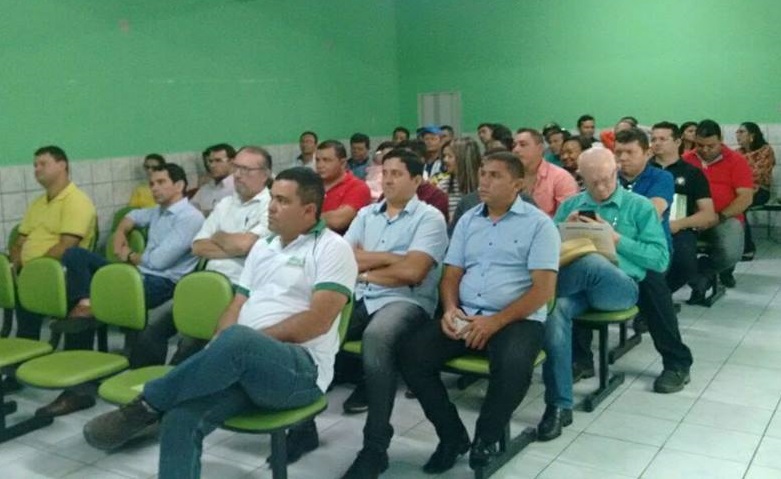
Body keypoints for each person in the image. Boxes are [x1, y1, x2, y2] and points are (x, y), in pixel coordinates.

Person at [82, 168, 358, 479]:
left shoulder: (332, 248)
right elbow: (237, 303)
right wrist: (220, 347)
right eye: (272, 198)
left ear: (308, 210)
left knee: (238, 340)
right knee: (181, 418)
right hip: (244, 365)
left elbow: (317, 322)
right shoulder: (264, 247)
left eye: (282, 201)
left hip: (300, 371)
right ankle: (159, 413)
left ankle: (146, 404)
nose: (271, 207)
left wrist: (246, 345)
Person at [398, 150, 559, 474]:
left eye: (495, 176)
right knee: (411, 356)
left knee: (512, 366)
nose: (484, 181)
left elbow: (542, 291)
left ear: (518, 184)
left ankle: (486, 437)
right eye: (483, 173)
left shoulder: (539, 225)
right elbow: (451, 274)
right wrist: (450, 309)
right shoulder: (469, 219)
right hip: (468, 313)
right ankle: (452, 436)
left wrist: (494, 322)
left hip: (516, 318)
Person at [35, 163, 203, 417]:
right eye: (152, 183)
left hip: (162, 284)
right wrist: (120, 233)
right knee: (75, 255)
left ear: (179, 185)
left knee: (84, 315)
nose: (154, 188)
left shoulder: (190, 218)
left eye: (161, 182)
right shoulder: (158, 211)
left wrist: (128, 255)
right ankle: (85, 303)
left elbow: (159, 262)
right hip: (136, 275)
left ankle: (78, 390)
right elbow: (132, 216)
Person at [539, 148, 669, 441]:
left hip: (621, 287)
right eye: (592, 182)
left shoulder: (639, 206)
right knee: (555, 310)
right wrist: (563, 230)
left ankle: (534, 295)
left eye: (607, 179)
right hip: (578, 289)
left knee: (591, 262)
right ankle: (558, 404)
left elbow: (660, 260)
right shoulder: (571, 205)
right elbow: (548, 250)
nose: (601, 188)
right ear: (581, 178)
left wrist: (615, 239)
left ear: (616, 172)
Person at [573, 127, 694, 393]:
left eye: (630, 152)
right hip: (604, 255)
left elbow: (653, 210)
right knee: (577, 277)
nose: (623, 158)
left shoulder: (659, 177)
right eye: (618, 152)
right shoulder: (606, 177)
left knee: (652, 284)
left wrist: (614, 231)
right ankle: (580, 359)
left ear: (647, 153)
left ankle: (677, 363)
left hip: (645, 253)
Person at [173, 146, 273, 364]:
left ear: (265, 175)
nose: (237, 175)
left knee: (200, 344)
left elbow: (246, 245)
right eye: (236, 168)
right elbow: (198, 247)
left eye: (246, 170)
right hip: (207, 283)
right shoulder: (225, 204)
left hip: (240, 288)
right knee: (157, 327)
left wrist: (217, 235)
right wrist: (233, 244)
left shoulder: (271, 207)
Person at [9, 146, 97, 343]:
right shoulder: (37, 203)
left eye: (43, 164)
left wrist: (36, 272)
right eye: (35, 165)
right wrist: (16, 267)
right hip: (32, 276)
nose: (37, 169)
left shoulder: (77, 201)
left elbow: (66, 246)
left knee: (75, 343)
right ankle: (26, 355)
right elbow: (19, 242)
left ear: (62, 165)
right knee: (25, 331)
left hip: (64, 276)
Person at [683, 119, 753, 296]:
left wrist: (719, 216)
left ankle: (705, 272)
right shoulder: (686, 160)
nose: (705, 150)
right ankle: (697, 275)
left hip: (725, 218)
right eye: (700, 145)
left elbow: (746, 197)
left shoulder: (736, 161)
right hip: (691, 218)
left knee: (731, 253)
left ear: (721, 140)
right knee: (674, 248)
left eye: (711, 146)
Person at [650, 122, 717, 294]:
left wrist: (678, 224)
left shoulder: (692, 173)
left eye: (662, 139)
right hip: (646, 227)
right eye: (653, 139)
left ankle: (659, 296)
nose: (656, 143)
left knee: (685, 265)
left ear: (677, 142)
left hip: (678, 228)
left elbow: (708, 214)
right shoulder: (644, 170)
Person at [512, 128, 578, 217]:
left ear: (540, 148)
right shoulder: (509, 177)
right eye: (514, 146)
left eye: (523, 145)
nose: (516, 150)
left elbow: (566, 218)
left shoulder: (561, 178)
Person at [736, 121, 775, 260]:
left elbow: (757, 174)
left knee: (739, 207)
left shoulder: (766, 150)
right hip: (740, 190)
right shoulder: (737, 153)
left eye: (741, 132)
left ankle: (747, 249)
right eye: (737, 132)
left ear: (752, 135)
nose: (737, 135)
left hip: (760, 191)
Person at [316, 140, 372, 234]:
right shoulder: (311, 184)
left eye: (326, 160)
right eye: (317, 160)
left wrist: (303, 219)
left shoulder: (358, 187)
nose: (320, 165)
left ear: (342, 163)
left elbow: (338, 221)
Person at [431, 138, 481, 222]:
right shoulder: (443, 186)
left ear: (463, 158)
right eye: (444, 156)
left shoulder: (483, 185)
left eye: (450, 156)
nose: (445, 160)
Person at [191, 143, 236, 216]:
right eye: (210, 161)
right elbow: (190, 213)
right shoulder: (204, 190)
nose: (212, 165)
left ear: (232, 162)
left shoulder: (239, 187)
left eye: (218, 160)